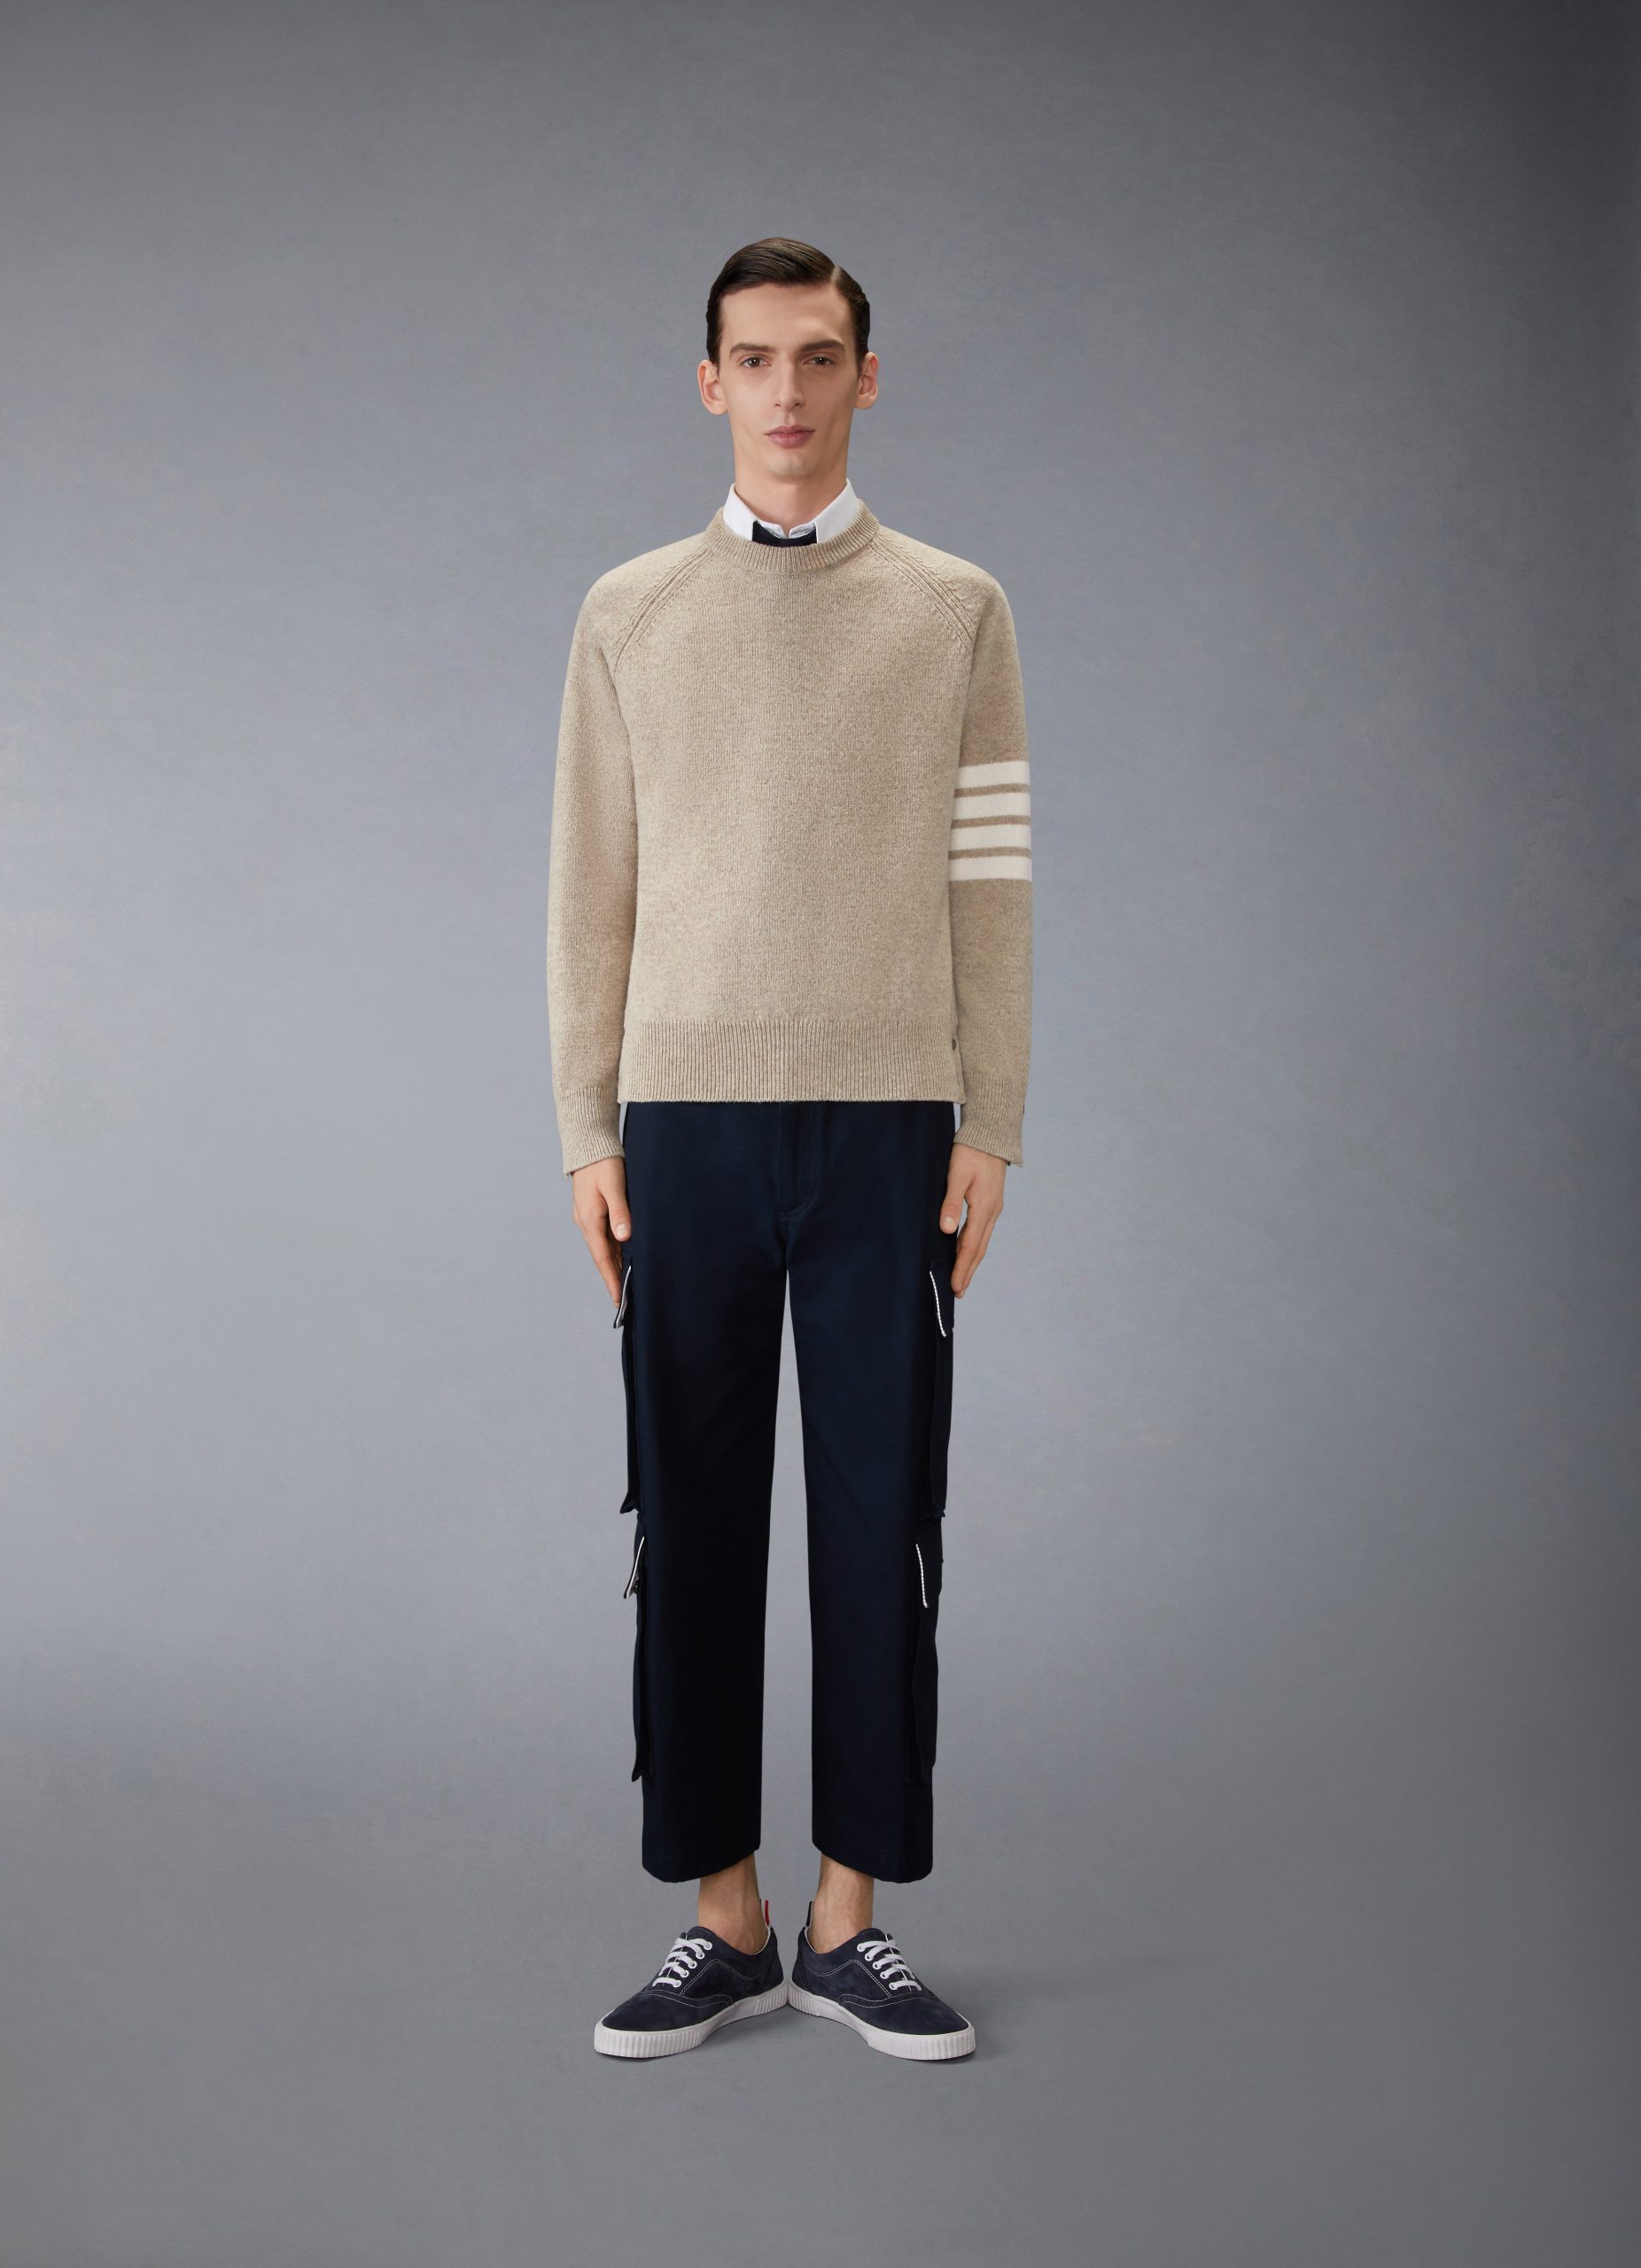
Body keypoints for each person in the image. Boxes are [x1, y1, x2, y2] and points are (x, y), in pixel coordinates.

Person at [545, 237, 1031, 2062]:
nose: (788, 391)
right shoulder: (630, 612)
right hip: (681, 1125)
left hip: (892, 1123)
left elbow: (992, 878)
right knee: (687, 1520)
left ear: (866, 376)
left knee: (881, 1514)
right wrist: (586, 1124)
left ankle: (849, 1919)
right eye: (754, 358)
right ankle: (723, 1916)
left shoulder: (955, 610)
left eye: (819, 356)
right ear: (709, 382)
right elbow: (590, 884)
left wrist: (993, 1115)